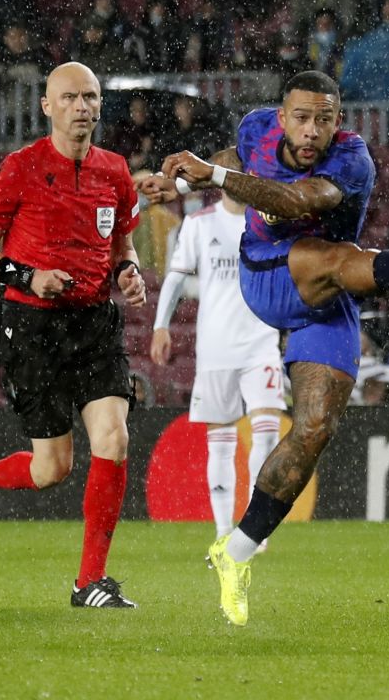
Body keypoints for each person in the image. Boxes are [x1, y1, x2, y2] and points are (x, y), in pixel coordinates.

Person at [138, 70, 389, 626]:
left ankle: (236, 552)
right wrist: (179, 183)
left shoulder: (352, 160)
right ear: (282, 115)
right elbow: (236, 154)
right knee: (336, 254)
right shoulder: (256, 130)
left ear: (338, 121)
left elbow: (297, 201)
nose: (311, 129)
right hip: (268, 274)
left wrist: (211, 176)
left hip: (329, 287)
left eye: (324, 118)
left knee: (316, 428)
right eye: (301, 116)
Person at [0, 62, 147, 609]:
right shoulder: (20, 169)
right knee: (50, 469)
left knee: (114, 438)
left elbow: (123, 247)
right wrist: (28, 276)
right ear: (47, 107)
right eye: (70, 98)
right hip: (31, 326)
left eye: (91, 97)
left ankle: (90, 582)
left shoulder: (115, 171)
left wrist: (129, 274)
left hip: (92, 323)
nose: (83, 107)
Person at [150, 193, 285, 542]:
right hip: (216, 347)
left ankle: (257, 529)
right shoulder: (199, 223)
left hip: (261, 341)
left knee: (268, 433)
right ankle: (224, 532)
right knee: (221, 443)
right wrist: (159, 325)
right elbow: (177, 277)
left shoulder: (269, 220)